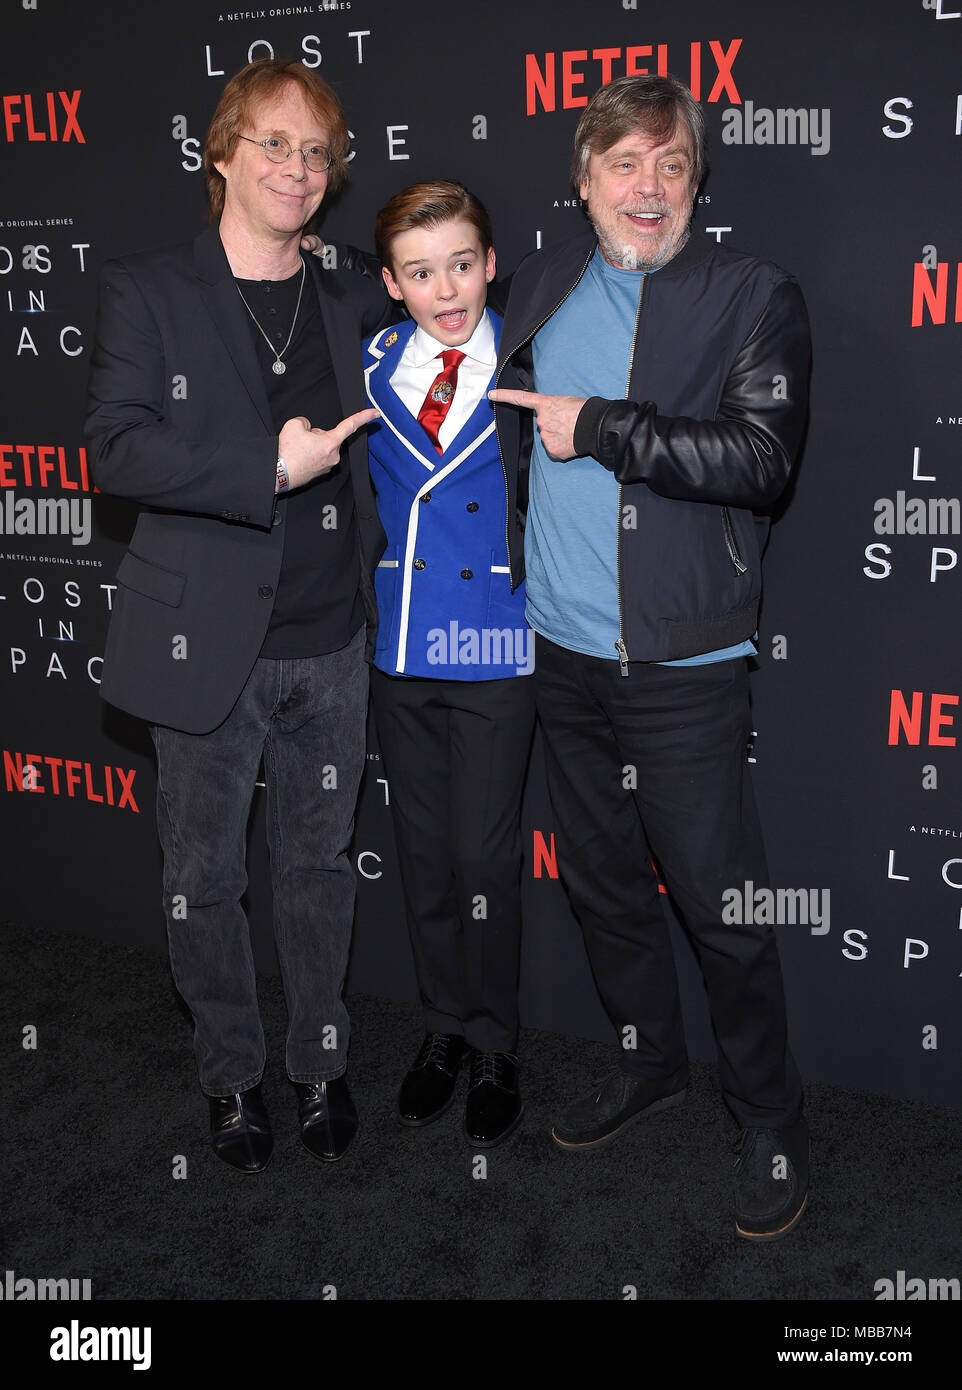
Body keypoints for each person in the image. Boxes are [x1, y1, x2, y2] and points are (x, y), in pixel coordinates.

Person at [489, 73, 812, 1240]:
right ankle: (645, 1061)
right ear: (582, 181)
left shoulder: (749, 294)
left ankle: (768, 1118)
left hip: (681, 668)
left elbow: (761, 460)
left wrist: (607, 429)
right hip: (559, 656)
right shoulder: (534, 282)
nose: (648, 186)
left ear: (696, 185)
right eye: (623, 163)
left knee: (722, 911)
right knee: (606, 888)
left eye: (671, 165)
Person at [84, 58, 390, 1173]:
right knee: (202, 879)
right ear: (220, 152)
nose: (298, 169)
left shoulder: (354, 290)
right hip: (202, 642)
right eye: (274, 144)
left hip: (333, 638)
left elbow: (448, 334)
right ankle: (231, 1077)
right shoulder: (150, 287)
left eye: (316, 152)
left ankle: (317, 1065)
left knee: (319, 868)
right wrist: (262, 465)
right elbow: (116, 448)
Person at [362, 182, 535, 1146]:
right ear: (392, 284)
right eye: (422, 272)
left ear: (490, 264)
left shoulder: (528, 354)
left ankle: (497, 1041)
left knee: (485, 858)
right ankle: (441, 1031)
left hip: (497, 641)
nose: (447, 288)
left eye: (462, 264)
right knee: (425, 855)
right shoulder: (371, 362)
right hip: (401, 640)